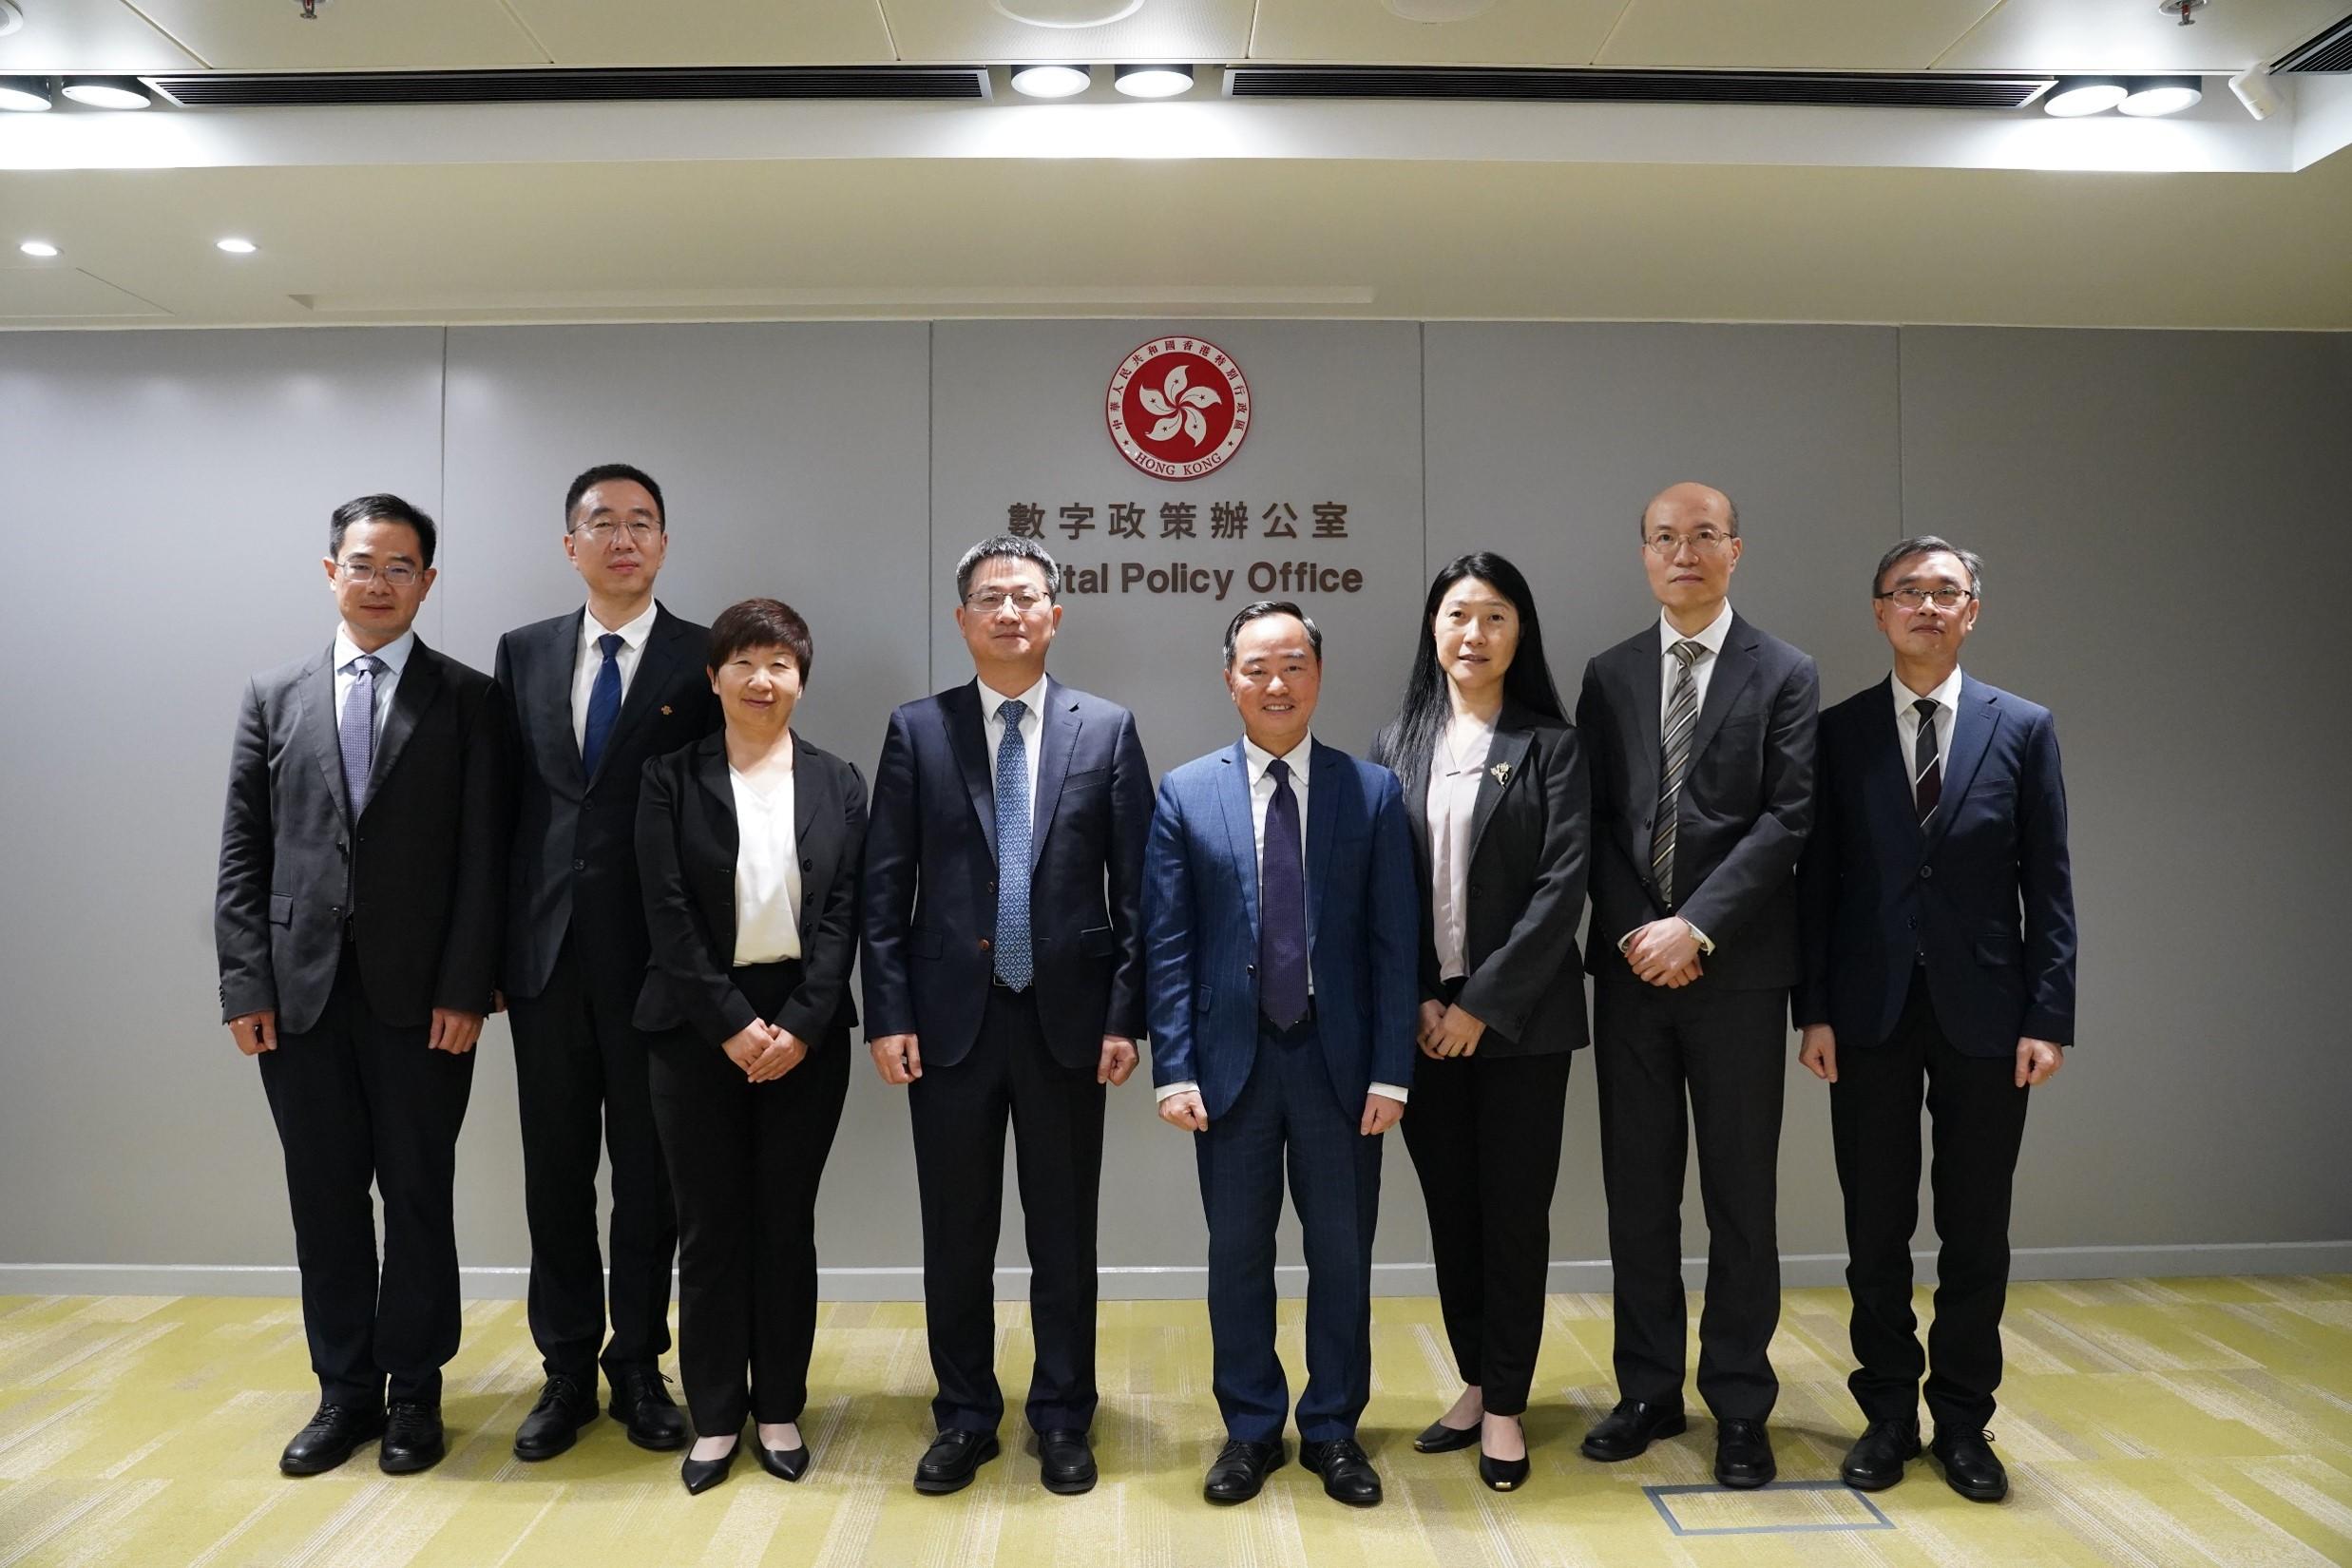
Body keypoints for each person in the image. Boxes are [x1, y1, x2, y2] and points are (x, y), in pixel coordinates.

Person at [215, 493, 506, 1477]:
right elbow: (244, 852)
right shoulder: (274, 695)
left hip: (425, 1002)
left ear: (427, 581)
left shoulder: (468, 699)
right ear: (329, 570)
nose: (378, 583)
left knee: (418, 1194)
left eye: (400, 567)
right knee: (324, 1199)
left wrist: (470, 989)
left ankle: (417, 1392)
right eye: (362, 563)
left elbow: (485, 860)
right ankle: (344, 1393)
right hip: (296, 1001)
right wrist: (244, 982)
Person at [859, 536, 1152, 1497]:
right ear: (963, 620)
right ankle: (965, 1415)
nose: (1011, 612)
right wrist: (887, 1013)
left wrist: (1125, 1015)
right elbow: (885, 888)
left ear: (1056, 614)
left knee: (1064, 1235)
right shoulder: (919, 729)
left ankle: (1064, 1415)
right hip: (948, 1024)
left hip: (1068, 1023)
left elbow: (1140, 892)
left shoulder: (1105, 729)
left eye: (1027, 596)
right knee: (957, 1233)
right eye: (991, 597)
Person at [1796, 538, 2075, 1504]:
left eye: (1945, 592)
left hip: (1990, 1017)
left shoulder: (2024, 728)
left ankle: (1964, 1422)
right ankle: (1884, 1414)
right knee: (1874, 1227)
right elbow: (1817, 887)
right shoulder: (1839, 734)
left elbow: (2050, 885)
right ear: (1879, 611)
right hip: (1866, 1015)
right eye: (1907, 591)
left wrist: (2050, 1014)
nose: (1926, 605)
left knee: (1976, 1231)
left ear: (1973, 611)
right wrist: (1815, 1010)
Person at [1143, 601, 1418, 1508]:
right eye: (1256, 667)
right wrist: (1173, 1067)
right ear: (1229, 679)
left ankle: (1333, 1430)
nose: (1275, 683)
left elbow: (1393, 945)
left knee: (1343, 1256)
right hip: (1231, 1068)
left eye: (1293, 664)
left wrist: (1391, 1070)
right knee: (1237, 1257)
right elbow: (1171, 944)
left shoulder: (1370, 793)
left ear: (1317, 676)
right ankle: (1250, 1430)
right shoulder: (1186, 792)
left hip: (1341, 1070)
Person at [1574, 482, 1818, 1488]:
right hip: (1631, 976)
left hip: (1737, 977)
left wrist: (1698, 928)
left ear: (1735, 551)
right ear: (1644, 557)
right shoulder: (1610, 673)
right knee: (1638, 1197)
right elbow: (1587, 817)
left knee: (1739, 1199)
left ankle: (1741, 1402)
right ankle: (1645, 1389)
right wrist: (1643, 931)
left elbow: (1788, 819)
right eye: (1666, 538)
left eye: (1703, 536)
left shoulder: (1785, 672)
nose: (1685, 552)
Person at [494, 463, 718, 1461]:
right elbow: (502, 812)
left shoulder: (701, 656)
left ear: (664, 544)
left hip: (654, 967)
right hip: (542, 964)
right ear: (570, 543)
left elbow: (721, 817)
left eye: (641, 523)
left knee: (650, 1179)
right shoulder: (525, 652)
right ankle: (564, 1373)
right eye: (602, 523)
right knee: (554, 1177)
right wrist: (486, 958)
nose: (622, 538)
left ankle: (639, 1365)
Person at [634, 598, 868, 1494]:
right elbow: (665, 912)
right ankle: (715, 1418)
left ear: (800, 680)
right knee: (709, 1225)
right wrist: (730, 1023)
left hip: (805, 1030)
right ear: (714, 676)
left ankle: (778, 1409)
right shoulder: (668, 779)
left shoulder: (840, 780)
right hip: (697, 1028)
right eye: (744, 662)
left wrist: (802, 1022)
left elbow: (847, 913)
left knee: (783, 1224)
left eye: (779, 664)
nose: (761, 680)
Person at [1368, 554, 1590, 1493]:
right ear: (1432, 629)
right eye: (1458, 615)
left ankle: (1507, 1404)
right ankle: (1474, 1377)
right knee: (1453, 1215)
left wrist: (1479, 1008)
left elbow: (1559, 892)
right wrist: (1423, 997)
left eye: (1494, 617)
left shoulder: (1553, 744)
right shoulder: (1396, 745)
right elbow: (1381, 891)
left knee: (1513, 1216)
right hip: (1424, 1026)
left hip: (1520, 1026)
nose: (1474, 634)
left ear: (1519, 634)